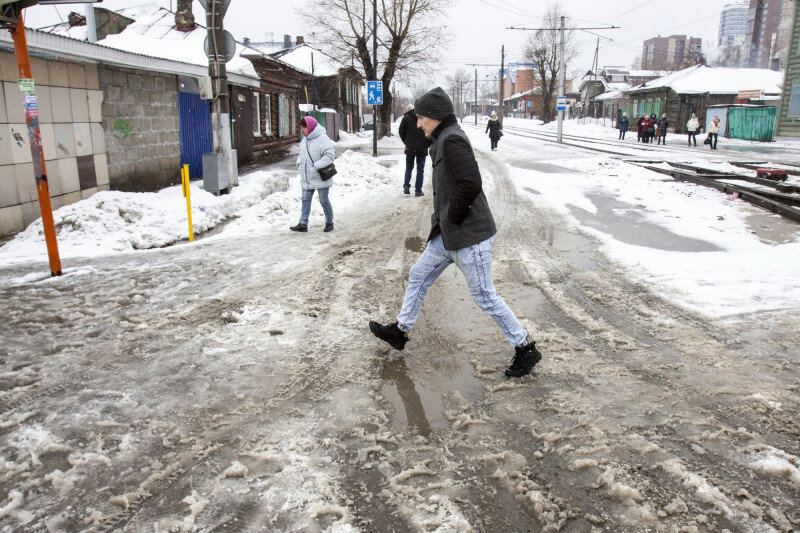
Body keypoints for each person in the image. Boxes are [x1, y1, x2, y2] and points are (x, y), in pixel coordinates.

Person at [368, 87, 542, 378]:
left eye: (421, 118)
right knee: (418, 276)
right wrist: (446, 222)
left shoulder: (452, 141)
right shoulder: (443, 139)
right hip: (447, 236)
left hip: (469, 237)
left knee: (485, 296)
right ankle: (400, 331)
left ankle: (525, 348)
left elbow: (471, 183)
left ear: (435, 116)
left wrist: (452, 217)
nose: (418, 123)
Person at [290, 116, 335, 233]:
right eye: (301, 127)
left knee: (323, 200)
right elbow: (301, 155)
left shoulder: (323, 138)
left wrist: (317, 165)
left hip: (321, 176)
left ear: (310, 127)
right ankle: (303, 224)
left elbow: (330, 156)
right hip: (307, 176)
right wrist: (300, 164)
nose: (302, 129)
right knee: (305, 200)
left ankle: (329, 222)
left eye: (304, 127)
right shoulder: (304, 140)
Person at [398, 108, 431, 196]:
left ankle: (406, 185)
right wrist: (427, 143)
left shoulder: (407, 117)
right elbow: (431, 131)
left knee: (409, 167)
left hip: (410, 147)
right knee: (420, 169)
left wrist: (406, 142)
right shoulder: (426, 117)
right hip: (422, 147)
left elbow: (401, 131)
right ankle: (418, 190)